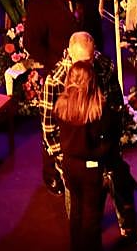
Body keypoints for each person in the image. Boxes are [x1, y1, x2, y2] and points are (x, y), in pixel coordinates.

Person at [56, 60, 137, 251]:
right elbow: (108, 141)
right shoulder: (97, 108)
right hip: (92, 169)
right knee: (92, 216)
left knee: (76, 213)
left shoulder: (62, 104)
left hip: (70, 167)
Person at [40, 31, 124, 196]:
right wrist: (62, 159)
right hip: (71, 146)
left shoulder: (105, 66)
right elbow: (49, 128)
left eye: (90, 59)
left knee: (118, 179)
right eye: (83, 61)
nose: (89, 65)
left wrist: (113, 144)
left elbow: (116, 105)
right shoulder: (56, 80)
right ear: (70, 53)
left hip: (98, 141)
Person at [23, 0, 103, 75]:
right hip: (57, 70)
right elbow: (31, 43)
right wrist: (56, 64)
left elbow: (97, 30)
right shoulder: (40, 3)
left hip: (88, 67)